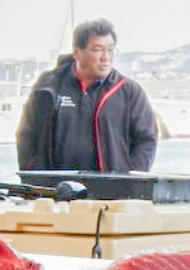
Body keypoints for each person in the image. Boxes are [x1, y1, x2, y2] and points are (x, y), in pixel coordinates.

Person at [17, 19, 158, 173]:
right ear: (77, 52)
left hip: (113, 192)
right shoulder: (49, 88)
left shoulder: (129, 91)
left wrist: (131, 178)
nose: (105, 57)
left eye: (110, 50)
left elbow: (147, 140)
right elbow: (27, 136)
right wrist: (35, 176)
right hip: (56, 190)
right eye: (97, 50)